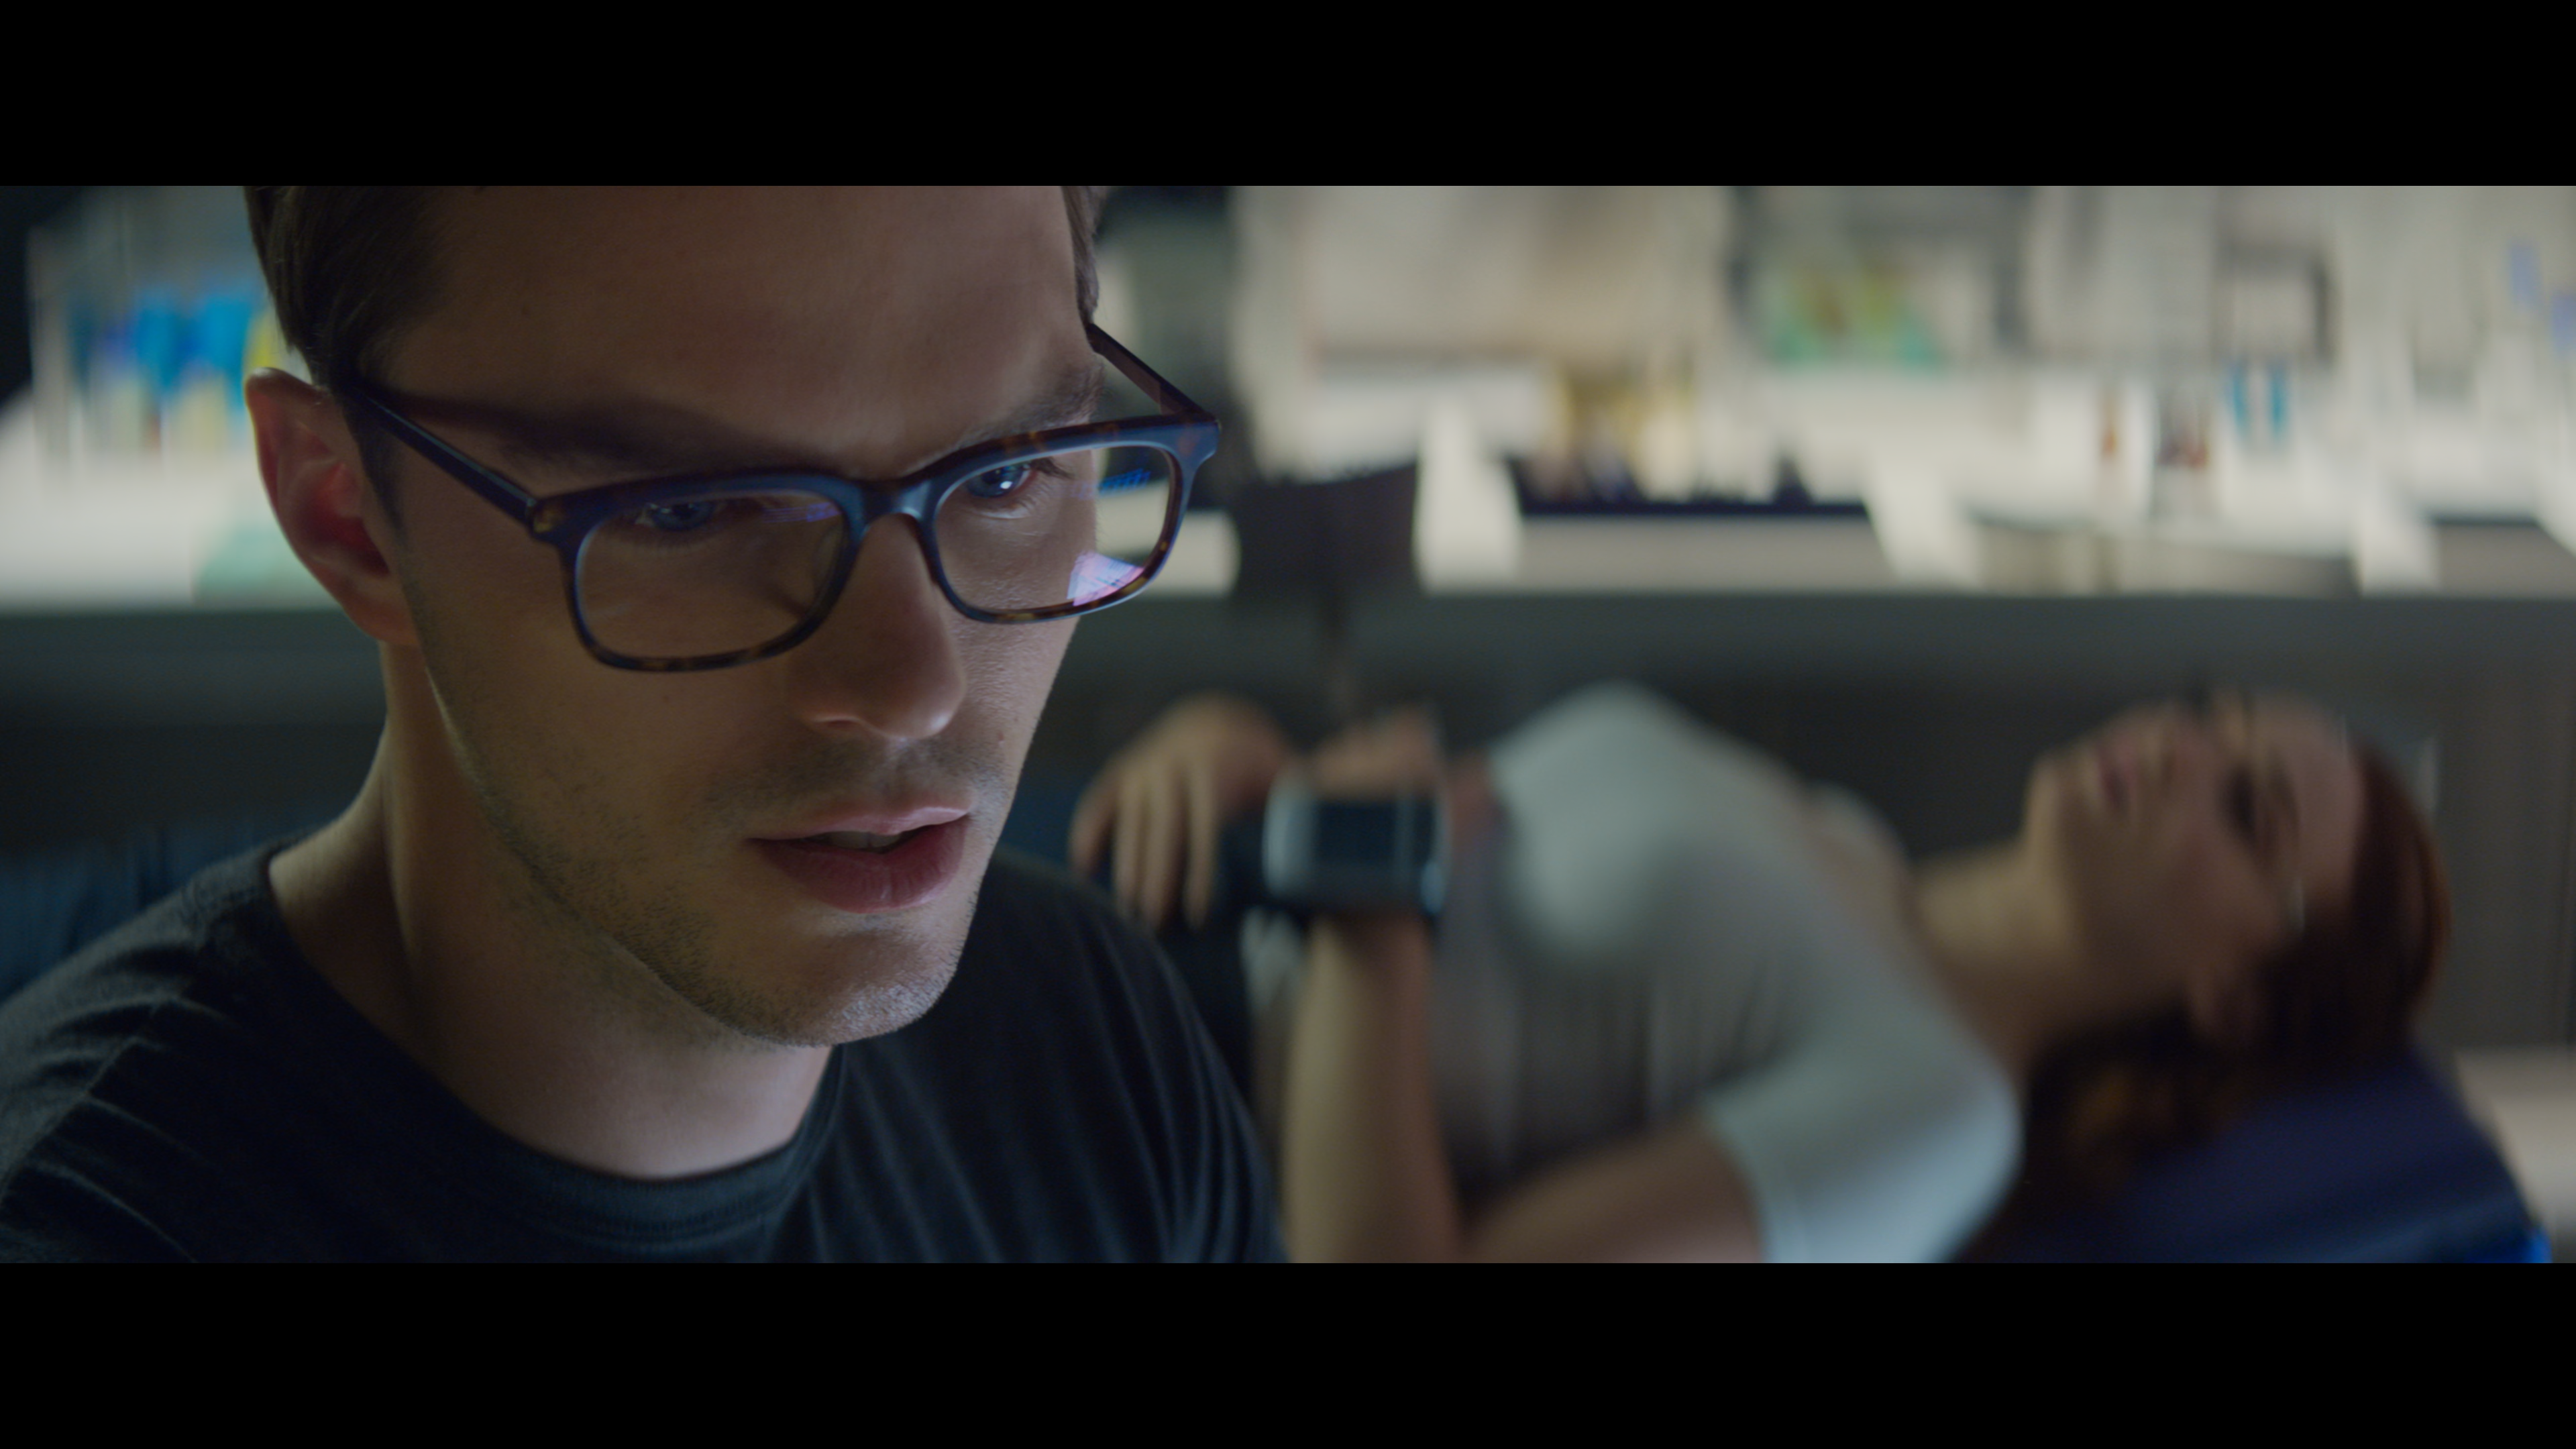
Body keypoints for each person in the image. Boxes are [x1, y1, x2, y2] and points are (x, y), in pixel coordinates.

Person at [0, 186, 1283, 1261]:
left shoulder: (1095, 1046)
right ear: (348, 518)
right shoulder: (86, 1221)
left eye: (1005, 476)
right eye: (693, 511)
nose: (913, 687)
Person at [1072, 681, 2448, 1261]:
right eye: (2213, 720)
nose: (2182, 755)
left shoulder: (1939, 1120)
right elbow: (1424, 818)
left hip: (1141, 1105)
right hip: (1147, 901)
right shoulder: (1854, 841)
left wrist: (1364, 897)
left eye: (2247, 810)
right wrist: (1241, 756)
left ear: (2234, 996)